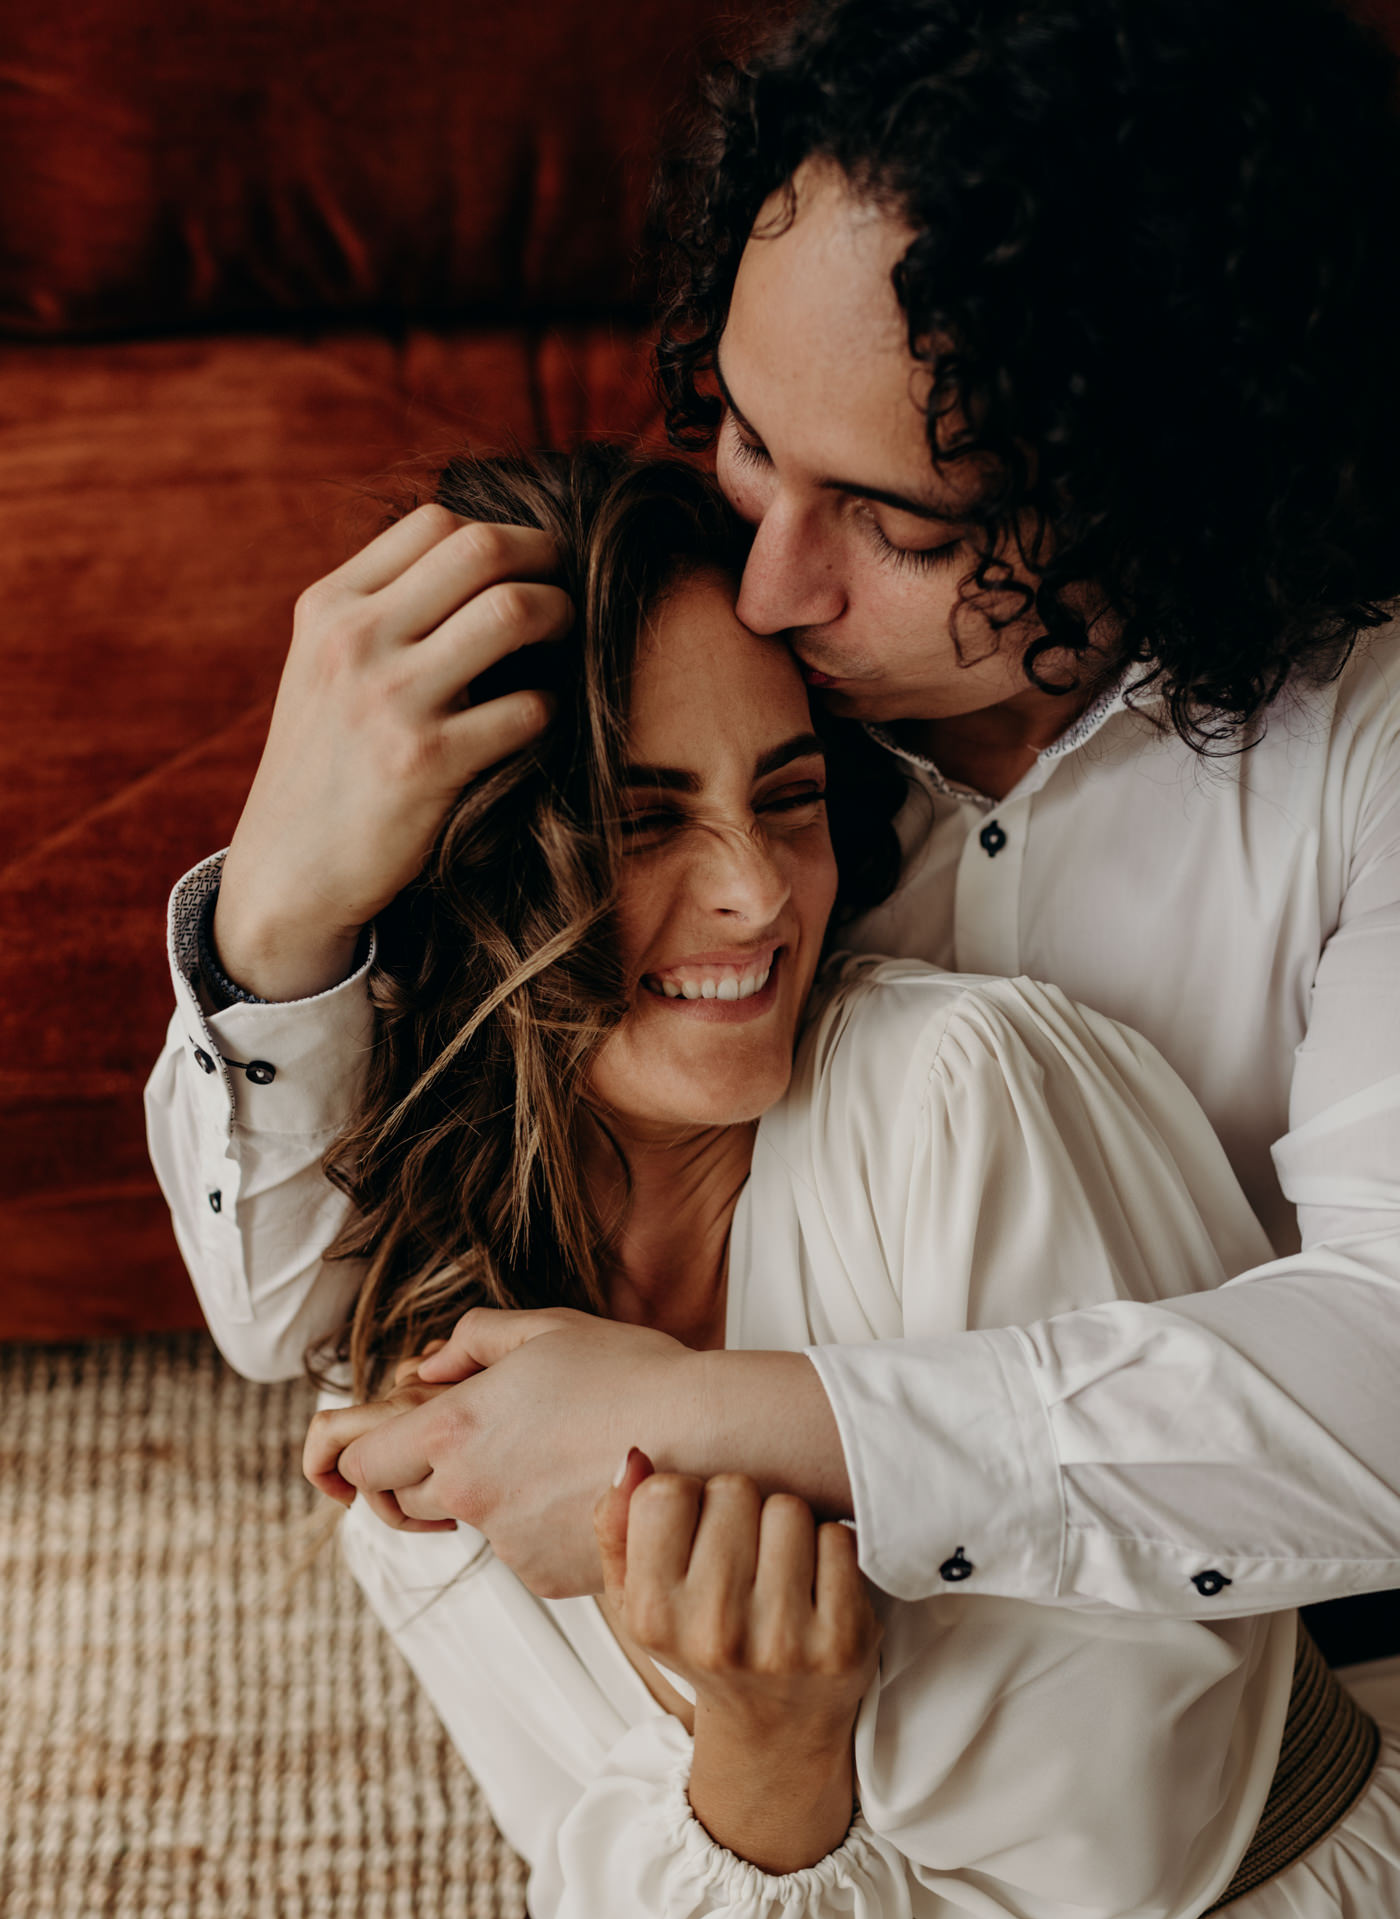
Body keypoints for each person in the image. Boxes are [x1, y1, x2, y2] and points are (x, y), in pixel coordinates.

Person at [145, 0, 1400, 1650]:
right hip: (784, 1695)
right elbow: (296, 1312)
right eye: (744, 435)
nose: (770, 582)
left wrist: (720, 1413)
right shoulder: (708, 680)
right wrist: (282, 928)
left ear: (1168, 487)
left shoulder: (1367, 745)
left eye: (892, 519)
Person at [165, 443, 1399, 1919]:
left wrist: (766, 1757)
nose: (756, 893)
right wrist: (764, 1747)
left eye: (793, 795)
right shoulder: (430, 1382)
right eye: (641, 819)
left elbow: (1111, 1851)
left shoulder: (966, 1094)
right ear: (474, 865)